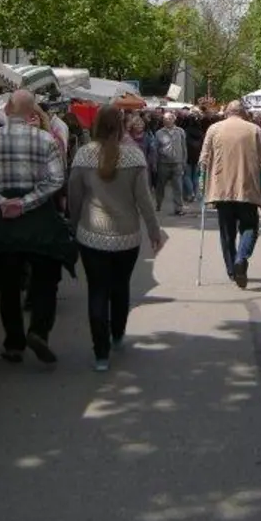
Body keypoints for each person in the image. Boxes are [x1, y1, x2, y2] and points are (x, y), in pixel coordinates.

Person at [0, 89, 74, 365]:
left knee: (8, 286)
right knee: (46, 279)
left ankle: (14, 343)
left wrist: (1, 201)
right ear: (32, 112)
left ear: (6, 109)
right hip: (40, 223)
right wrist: (26, 202)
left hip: (4, 225)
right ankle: (39, 330)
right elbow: (56, 180)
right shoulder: (45, 140)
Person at [67, 106, 166, 372]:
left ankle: (101, 354)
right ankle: (118, 334)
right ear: (122, 126)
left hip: (91, 236)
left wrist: (73, 226)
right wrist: (154, 232)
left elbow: (74, 197)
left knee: (97, 291)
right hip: (127, 237)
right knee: (120, 287)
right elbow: (144, 200)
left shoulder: (83, 154)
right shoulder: (134, 156)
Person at [198, 100, 261, 288]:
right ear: (243, 113)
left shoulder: (214, 129)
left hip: (221, 189)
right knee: (250, 227)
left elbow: (203, 160)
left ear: (226, 113)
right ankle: (241, 257)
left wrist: (202, 187)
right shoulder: (255, 130)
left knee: (227, 232)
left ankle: (232, 270)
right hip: (248, 188)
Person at [154, 111, 188, 216]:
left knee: (178, 186)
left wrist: (184, 161)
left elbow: (184, 147)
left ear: (174, 119)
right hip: (163, 163)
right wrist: (155, 163)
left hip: (177, 163)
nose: (167, 120)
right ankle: (158, 204)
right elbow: (155, 149)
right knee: (160, 186)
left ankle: (179, 208)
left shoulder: (180, 131)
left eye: (169, 118)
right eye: (165, 119)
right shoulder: (159, 133)